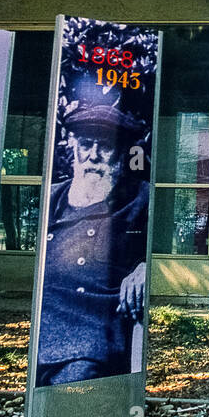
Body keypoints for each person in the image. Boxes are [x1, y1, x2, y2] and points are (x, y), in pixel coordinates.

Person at [36, 103, 149, 386]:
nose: (93, 156)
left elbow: (171, 250)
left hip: (92, 338)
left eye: (106, 147)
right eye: (86, 144)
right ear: (74, 148)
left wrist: (149, 266)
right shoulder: (53, 198)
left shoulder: (141, 199)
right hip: (40, 332)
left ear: (123, 153)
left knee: (69, 404)